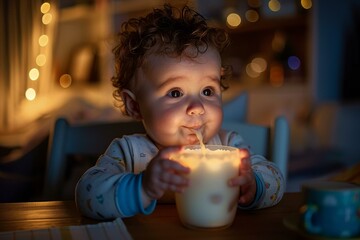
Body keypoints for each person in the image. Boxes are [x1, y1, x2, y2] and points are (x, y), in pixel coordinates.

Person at [75, 3, 285, 220]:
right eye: (175, 93)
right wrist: (142, 187)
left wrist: (254, 185)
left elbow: (277, 179)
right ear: (135, 105)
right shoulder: (129, 153)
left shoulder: (229, 148)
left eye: (207, 90)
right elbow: (86, 195)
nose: (197, 108)